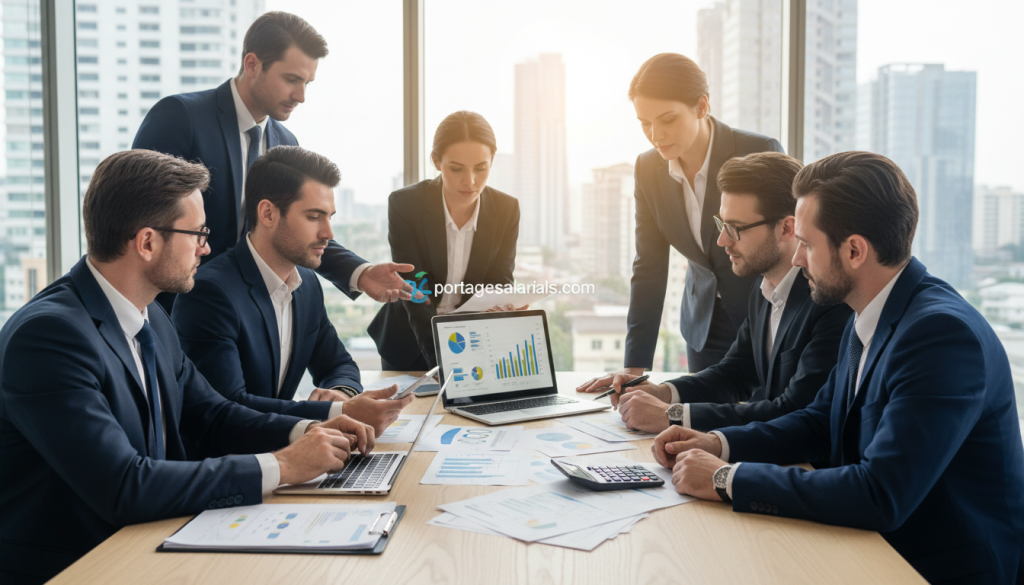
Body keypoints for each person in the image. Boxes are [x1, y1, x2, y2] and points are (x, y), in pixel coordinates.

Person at [0, 150, 377, 584]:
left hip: (151, 544)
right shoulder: (50, 337)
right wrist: (283, 465)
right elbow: (124, 485)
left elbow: (213, 415)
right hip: (77, 567)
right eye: (197, 233)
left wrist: (310, 433)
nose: (207, 247)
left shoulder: (152, 316)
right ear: (146, 242)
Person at [653, 152, 1024, 584]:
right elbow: (817, 422)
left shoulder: (940, 336)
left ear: (853, 251)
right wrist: (718, 443)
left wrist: (726, 479)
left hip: (934, 566)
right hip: (874, 548)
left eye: (807, 245)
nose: (796, 260)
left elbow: (880, 492)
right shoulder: (869, 310)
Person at [133, 11, 412, 313]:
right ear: (252, 64)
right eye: (291, 79)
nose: (301, 96)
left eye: (308, 82)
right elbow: (138, 216)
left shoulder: (286, 141)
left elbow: (293, 230)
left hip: (250, 314)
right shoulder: (181, 117)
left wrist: (360, 272)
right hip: (176, 310)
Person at [173, 146, 414, 456]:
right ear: (268, 213)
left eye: (329, 217)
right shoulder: (211, 293)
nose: (328, 233)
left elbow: (338, 362)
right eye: (314, 217)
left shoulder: (307, 285)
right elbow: (228, 406)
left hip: (283, 454)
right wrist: (336, 415)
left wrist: (340, 395)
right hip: (229, 470)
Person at [578, 53, 785, 396]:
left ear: (701, 106)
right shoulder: (648, 169)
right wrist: (635, 364)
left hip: (763, 314)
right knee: (701, 424)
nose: (655, 135)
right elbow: (649, 265)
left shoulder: (757, 151)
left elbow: (788, 241)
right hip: (703, 323)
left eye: (667, 119)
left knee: (762, 429)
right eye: (644, 123)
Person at [601, 152, 851, 435]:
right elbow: (735, 373)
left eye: (735, 228)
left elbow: (792, 410)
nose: (722, 240)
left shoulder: (828, 300)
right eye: (721, 224)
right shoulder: (764, 289)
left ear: (786, 228)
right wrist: (663, 393)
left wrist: (673, 416)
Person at [368, 111, 520, 370]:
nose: (470, 181)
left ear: (492, 161)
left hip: (473, 341)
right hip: (410, 342)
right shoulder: (406, 204)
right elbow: (415, 291)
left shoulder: (506, 209)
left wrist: (504, 306)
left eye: (481, 168)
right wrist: (445, 366)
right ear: (437, 161)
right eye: (457, 168)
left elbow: (500, 281)